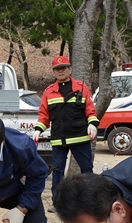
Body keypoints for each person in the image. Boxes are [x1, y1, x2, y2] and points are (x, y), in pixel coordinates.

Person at [35, 55, 98, 192]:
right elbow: (44, 114)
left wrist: (92, 124)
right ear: (53, 72)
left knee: (87, 168)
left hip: (80, 138)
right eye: (57, 69)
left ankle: (91, 196)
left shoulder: (81, 88)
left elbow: (90, 110)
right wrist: (38, 129)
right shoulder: (48, 92)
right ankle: (57, 198)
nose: (60, 71)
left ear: (70, 69)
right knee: (57, 171)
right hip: (59, 139)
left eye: (63, 68)